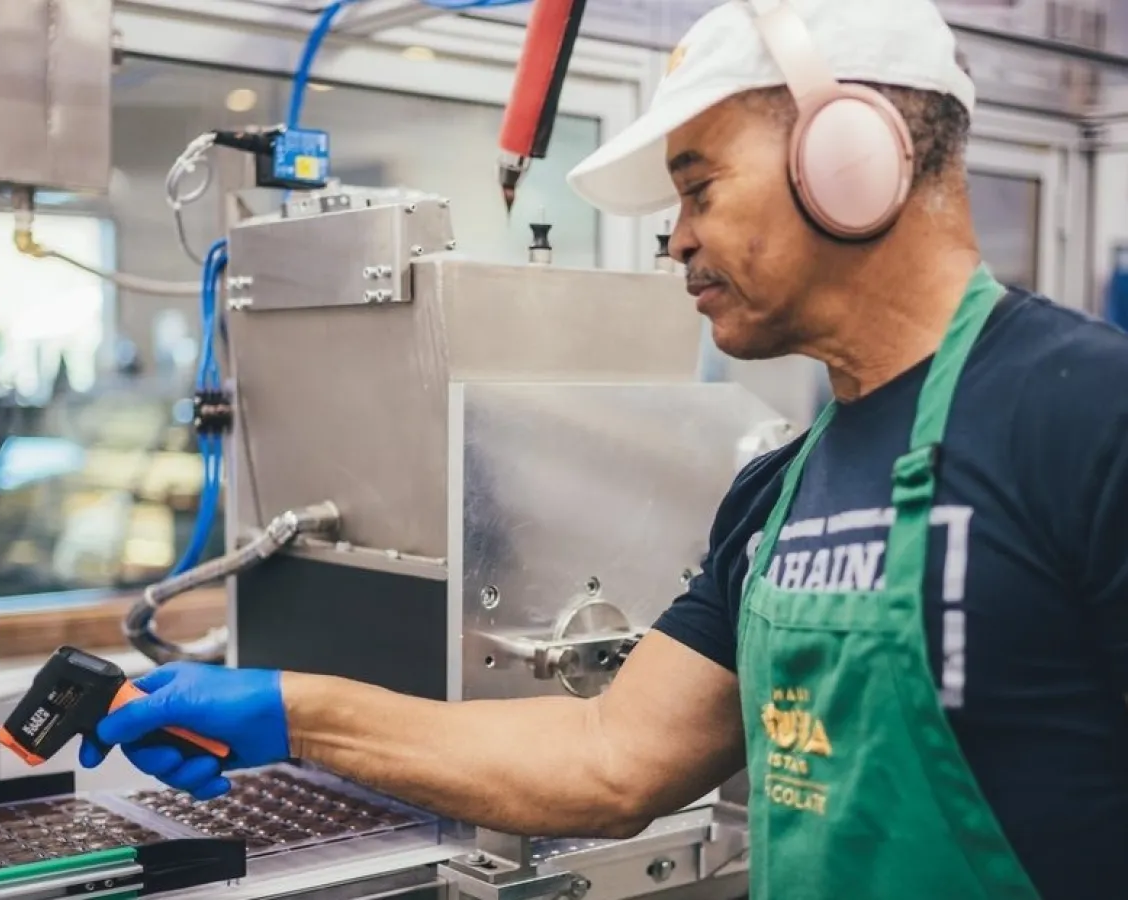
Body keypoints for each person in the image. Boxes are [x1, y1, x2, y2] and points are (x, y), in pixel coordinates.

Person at [80, 1, 1128, 897]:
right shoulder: (779, 491)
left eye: (699, 188)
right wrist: (289, 710)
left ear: (848, 156)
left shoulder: (1087, 417)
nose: (676, 238)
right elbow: (611, 755)